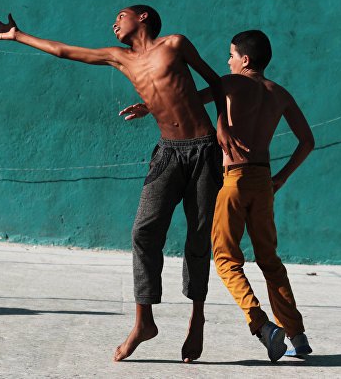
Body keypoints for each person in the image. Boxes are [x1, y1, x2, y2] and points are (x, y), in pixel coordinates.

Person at [0, 6, 246, 363]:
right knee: (143, 232)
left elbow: (215, 82)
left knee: (198, 238)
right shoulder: (118, 58)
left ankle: (197, 316)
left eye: (120, 16)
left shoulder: (175, 44)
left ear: (142, 18)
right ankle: (144, 322)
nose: (113, 23)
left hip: (203, 150)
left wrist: (223, 126)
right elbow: (64, 51)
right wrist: (19, 36)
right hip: (168, 153)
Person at [121, 29, 314, 362]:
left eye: (230, 54)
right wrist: (280, 177)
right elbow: (307, 141)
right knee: (270, 261)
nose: (227, 60)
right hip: (263, 181)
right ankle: (298, 335)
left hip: (232, 180)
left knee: (225, 260)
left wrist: (148, 109)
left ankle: (261, 324)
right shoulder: (280, 94)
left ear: (245, 59)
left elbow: (186, 101)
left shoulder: (231, 83)